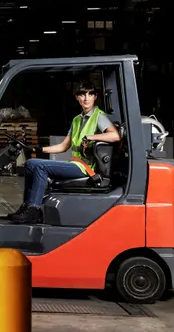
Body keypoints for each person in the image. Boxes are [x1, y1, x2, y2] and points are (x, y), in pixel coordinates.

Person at [9, 80, 121, 224]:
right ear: (77, 97)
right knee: (30, 164)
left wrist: (92, 136)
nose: (86, 98)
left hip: (87, 169)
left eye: (90, 94)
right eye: (82, 94)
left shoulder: (99, 116)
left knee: (40, 167)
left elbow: (115, 135)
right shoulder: (76, 120)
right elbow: (63, 146)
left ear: (95, 96)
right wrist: (38, 149)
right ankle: (27, 206)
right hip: (75, 163)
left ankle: (34, 210)